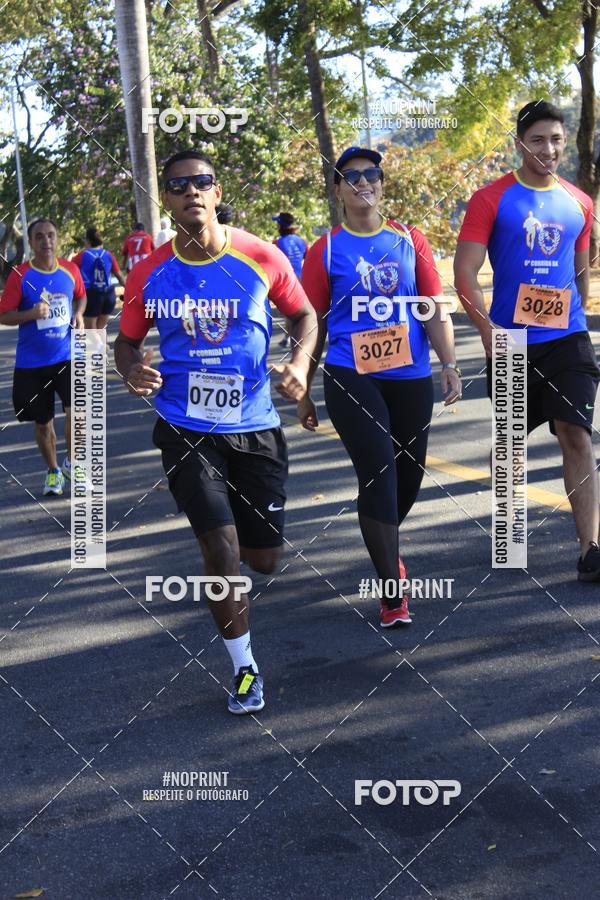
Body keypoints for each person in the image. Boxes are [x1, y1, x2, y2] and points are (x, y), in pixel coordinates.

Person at [114, 149, 317, 714]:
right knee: (218, 546)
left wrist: (300, 367)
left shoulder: (260, 254)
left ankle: (238, 579)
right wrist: (130, 368)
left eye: (201, 182)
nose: (191, 192)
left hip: (254, 424)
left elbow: (303, 314)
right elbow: (125, 339)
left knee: (263, 558)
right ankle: (244, 667)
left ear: (217, 191)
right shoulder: (148, 272)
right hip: (184, 425)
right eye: (178, 186)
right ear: (168, 199)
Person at [301, 146, 461, 627]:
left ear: (382, 183)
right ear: (337, 190)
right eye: (351, 177)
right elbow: (311, 323)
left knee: (405, 480)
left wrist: (449, 364)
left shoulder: (410, 240)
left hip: (410, 375)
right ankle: (392, 591)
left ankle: (386, 544)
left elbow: (432, 305)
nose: (362, 182)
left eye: (371, 174)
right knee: (379, 472)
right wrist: (304, 385)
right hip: (352, 374)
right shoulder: (325, 249)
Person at [454, 100, 600, 582]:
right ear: (519, 144)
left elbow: (581, 270)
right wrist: (486, 331)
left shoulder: (580, 201)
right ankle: (510, 535)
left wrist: (576, 306)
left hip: (568, 338)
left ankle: (590, 549)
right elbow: (465, 274)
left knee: (576, 434)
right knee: (512, 443)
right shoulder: (491, 199)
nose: (549, 149)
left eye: (557, 139)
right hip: (511, 342)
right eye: (538, 140)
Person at [0, 218, 86, 495]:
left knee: (76, 413)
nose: (46, 241)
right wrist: (30, 314)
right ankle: (53, 472)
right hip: (32, 364)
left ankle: (72, 462)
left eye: (50, 235)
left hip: (66, 355)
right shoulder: (21, 275)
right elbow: (4, 314)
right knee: (42, 424)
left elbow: (81, 295)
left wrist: (79, 314)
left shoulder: (70, 269)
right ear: (32, 242)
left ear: (57, 238)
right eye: (40, 237)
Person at [73, 226, 125, 329]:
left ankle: (100, 345)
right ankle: (102, 345)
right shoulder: (108, 255)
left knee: (90, 330)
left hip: (91, 295)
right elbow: (120, 277)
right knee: (100, 330)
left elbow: (69, 273)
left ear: (87, 240)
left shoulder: (82, 256)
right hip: (109, 295)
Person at [272, 212, 308, 348]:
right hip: (302, 279)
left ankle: (290, 338)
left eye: (277, 224)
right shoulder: (302, 241)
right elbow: (308, 259)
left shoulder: (277, 243)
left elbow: (273, 263)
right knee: (299, 311)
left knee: (290, 311)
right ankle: (295, 338)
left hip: (288, 281)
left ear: (281, 226)